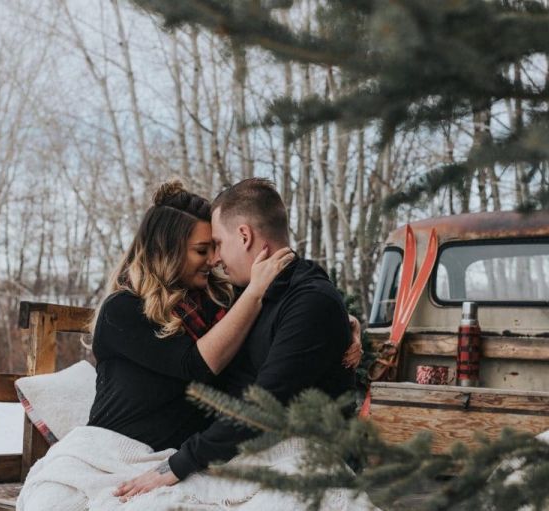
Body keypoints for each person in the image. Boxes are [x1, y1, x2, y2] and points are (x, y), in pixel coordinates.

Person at [115, 178, 357, 499]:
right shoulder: (250, 293)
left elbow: (262, 405)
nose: (215, 258)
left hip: (300, 455)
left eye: (218, 243)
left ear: (244, 236)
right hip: (233, 448)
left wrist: (177, 466)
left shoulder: (311, 302)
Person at [87, 180, 296, 452]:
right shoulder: (122, 310)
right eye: (201, 250)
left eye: (215, 247)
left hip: (186, 455)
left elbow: (280, 318)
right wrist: (254, 293)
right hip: (119, 450)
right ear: (166, 250)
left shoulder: (217, 299)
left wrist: (343, 323)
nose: (214, 259)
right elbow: (195, 366)